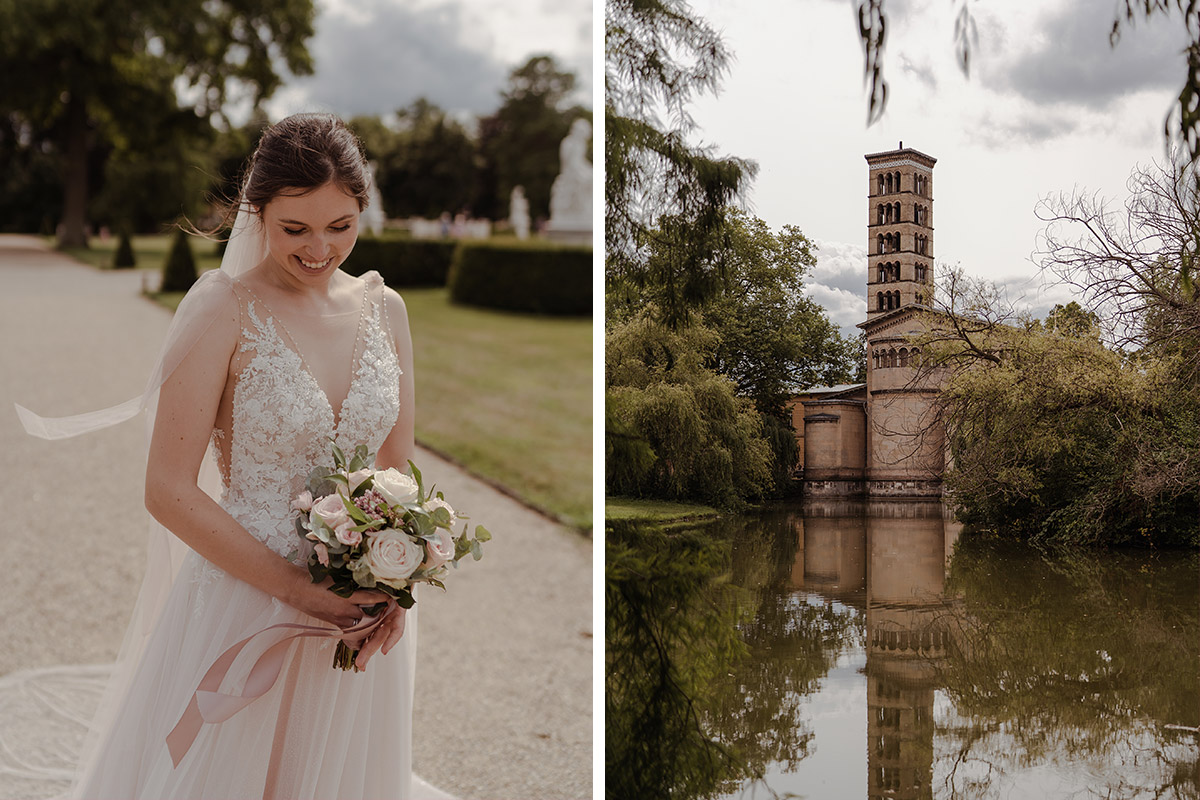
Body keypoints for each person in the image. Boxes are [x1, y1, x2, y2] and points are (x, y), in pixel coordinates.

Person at [20, 113, 424, 798]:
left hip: (359, 612)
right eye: (295, 228)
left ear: (362, 209)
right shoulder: (222, 308)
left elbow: (399, 473)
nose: (321, 248)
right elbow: (167, 488)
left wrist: (398, 584)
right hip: (247, 600)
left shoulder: (388, 311)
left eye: (341, 224)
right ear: (256, 212)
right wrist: (298, 592)